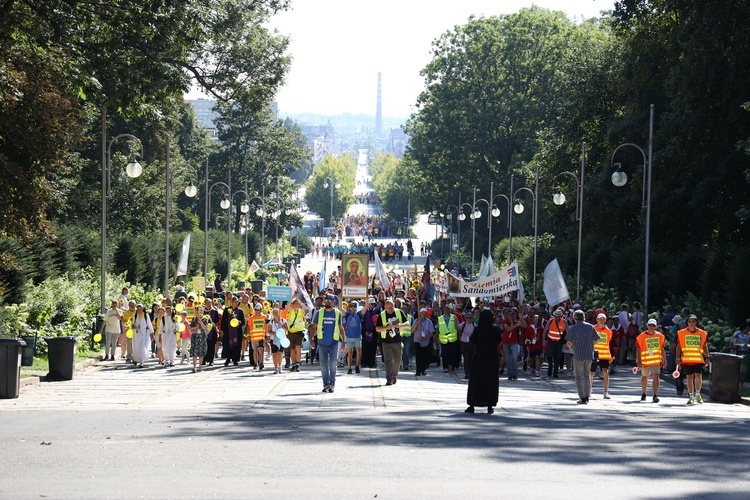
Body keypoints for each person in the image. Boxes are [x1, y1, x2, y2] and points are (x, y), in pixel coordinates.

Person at [465, 309, 502, 414]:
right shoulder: (495, 330)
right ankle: (490, 405)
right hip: (491, 359)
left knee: (476, 381)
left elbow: (472, 340)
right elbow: (499, 340)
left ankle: (472, 404)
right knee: (490, 381)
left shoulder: (477, 330)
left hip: (479, 358)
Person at [309, 295, 345, 393]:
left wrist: (344, 342)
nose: (328, 302)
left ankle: (332, 384)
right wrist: (311, 340)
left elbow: (341, 328)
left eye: (330, 300)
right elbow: (313, 327)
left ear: (334, 302)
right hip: (322, 343)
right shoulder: (319, 313)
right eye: (327, 300)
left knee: (333, 364)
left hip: (334, 343)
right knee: (323, 365)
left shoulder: (338, 313)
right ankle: (325, 384)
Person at [566, 309, 600, 404]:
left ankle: (582, 398)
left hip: (578, 355)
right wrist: (591, 344)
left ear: (575, 318)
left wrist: (572, 346)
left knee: (578, 377)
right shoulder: (590, 327)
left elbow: (568, 342)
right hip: (589, 354)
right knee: (586, 376)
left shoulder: (573, 328)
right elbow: (598, 339)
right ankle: (587, 396)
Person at [675, 314, 709, 405]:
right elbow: (679, 346)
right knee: (689, 378)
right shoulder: (682, 333)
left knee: (698, 376)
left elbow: (705, 345)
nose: (691, 323)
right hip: (686, 359)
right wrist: (677, 357)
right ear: (687, 323)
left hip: (698, 359)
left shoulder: (702, 333)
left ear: (696, 323)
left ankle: (698, 394)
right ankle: (691, 396)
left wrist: (707, 357)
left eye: (693, 321)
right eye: (690, 322)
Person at [375, 299, 407, 386]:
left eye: (391, 307)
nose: (390, 309)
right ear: (385, 307)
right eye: (388, 308)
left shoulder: (399, 312)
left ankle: (394, 375)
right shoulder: (382, 315)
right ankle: (389, 379)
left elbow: (407, 323)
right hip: (386, 342)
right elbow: (377, 328)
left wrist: (400, 325)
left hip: (397, 341)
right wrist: (386, 328)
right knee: (388, 361)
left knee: (397, 360)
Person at [636, 318, 667, 403]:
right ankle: (644, 393)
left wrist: (664, 359)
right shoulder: (641, 336)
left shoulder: (659, 336)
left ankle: (655, 395)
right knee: (644, 377)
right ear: (647, 326)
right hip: (645, 361)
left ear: (656, 326)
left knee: (656, 376)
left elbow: (662, 348)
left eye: (653, 325)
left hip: (655, 361)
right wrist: (638, 360)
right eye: (650, 325)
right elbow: (638, 349)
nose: (651, 327)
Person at [590, 312, 614, 399]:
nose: (601, 320)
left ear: (605, 320)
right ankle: (589, 390)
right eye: (600, 319)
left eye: (603, 319)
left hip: (604, 355)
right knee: (591, 372)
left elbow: (609, 341)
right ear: (596, 319)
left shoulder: (608, 331)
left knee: (605, 372)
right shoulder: (592, 329)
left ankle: (605, 392)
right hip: (594, 354)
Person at [501, 308, 526, 381]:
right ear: (506, 315)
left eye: (512, 314)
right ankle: (510, 374)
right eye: (509, 315)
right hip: (506, 343)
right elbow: (508, 329)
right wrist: (517, 324)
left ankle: (514, 374)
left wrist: (521, 319)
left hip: (514, 343)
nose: (511, 316)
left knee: (515, 358)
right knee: (508, 359)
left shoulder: (516, 321)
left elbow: (525, 326)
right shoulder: (504, 321)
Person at [220, 297, 245, 366]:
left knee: (236, 345)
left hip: (237, 331)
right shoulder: (227, 310)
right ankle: (228, 359)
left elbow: (243, 321)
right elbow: (223, 321)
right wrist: (222, 330)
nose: (236, 303)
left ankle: (235, 360)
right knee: (228, 345)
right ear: (232, 302)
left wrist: (238, 323)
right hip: (228, 331)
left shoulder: (240, 311)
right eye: (235, 302)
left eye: (237, 302)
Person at [285, 297, 307, 372]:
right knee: (292, 350)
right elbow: (287, 307)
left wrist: (299, 301)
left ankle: (298, 364)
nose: (296, 305)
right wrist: (291, 300)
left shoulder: (301, 312)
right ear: (293, 305)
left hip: (299, 333)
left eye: (297, 304)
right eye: (295, 304)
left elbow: (305, 308)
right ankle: (293, 364)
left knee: (298, 348)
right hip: (291, 333)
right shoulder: (291, 311)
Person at [437, 304, 460, 373]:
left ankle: (452, 365)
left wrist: (460, 334)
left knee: (452, 353)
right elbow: (438, 328)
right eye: (445, 309)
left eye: (448, 309)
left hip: (452, 338)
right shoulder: (440, 318)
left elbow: (457, 327)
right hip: (443, 339)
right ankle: (445, 367)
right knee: (444, 353)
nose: (447, 310)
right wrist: (436, 337)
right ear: (443, 310)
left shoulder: (454, 317)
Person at [412, 307, 435, 376]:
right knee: (418, 356)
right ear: (420, 314)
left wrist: (425, 338)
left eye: (425, 313)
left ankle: (423, 370)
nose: (424, 314)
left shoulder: (429, 322)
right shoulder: (416, 320)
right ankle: (418, 370)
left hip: (425, 342)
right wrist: (417, 324)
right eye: (422, 313)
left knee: (424, 356)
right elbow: (412, 330)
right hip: (417, 341)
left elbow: (431, 333)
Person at [544, 308, 566, 378]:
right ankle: (549, 370)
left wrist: (569, 341)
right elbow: (545, 330)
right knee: (550, 356)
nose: (556, 317)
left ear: (560, 316)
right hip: (551, 341)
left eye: (558, 316)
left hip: (559, 342)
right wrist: (543, 340)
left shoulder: (564, 322)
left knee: (557, 357)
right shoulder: (550, 321)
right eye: (555, 316)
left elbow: (568, 331)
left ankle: (555, 373)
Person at [343, 300, 363, 374]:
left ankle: (357, 366)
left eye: (354, 306)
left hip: (357, 336)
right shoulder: (347, 314)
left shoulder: (359, 314)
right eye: (351, 306)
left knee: (358, 352)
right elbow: (340, 308)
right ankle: (349, 368)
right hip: (349, 336)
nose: (353, 308)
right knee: (350, 353)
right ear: (349, 307)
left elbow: (365, 308)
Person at [131, 304, 153, 368]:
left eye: (140, 309)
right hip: (136, 334)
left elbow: (149, 325)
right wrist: (134, 327)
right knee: (136, 347)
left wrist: (152, 334)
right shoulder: (134, 316)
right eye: (138, 309)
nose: (139, 310)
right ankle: (137, 359)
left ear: (143, 309)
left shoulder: (146, 316)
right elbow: (132, 325)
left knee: (142, 347)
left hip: (144, 334)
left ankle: (142, 361)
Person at [267, 308, 287, 374]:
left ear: (279, 313)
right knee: (274, 354)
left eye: (277, 312)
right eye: (274, 313)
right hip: (274, 339)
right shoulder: (271, 322)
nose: (276, 314)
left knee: (280, 353)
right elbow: (269, 332)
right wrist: (276, 333)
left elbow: (286, 329)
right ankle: (275, 368)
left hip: (281, 339)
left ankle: (280, 367)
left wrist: (280, 325)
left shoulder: (283, 321)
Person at [362, 297, 381, 368]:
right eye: (370, 304)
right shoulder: (365, 311)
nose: (372, 305)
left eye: (373, 304)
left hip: (374, 332)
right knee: (365, 347)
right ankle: (364, 362)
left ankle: (371, 363)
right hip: (365, 332)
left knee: (372, 348)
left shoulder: (377, 311)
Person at [248, 303, 267, 370]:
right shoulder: (251, 318)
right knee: (255, 351)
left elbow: (266, 326)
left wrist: (266, 336)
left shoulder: (265, 317)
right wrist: (248, 336)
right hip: (253, 337)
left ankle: (261, 363)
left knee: (261, 350)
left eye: (258, 310)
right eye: (255, 309)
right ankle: (255, 363)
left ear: (261, 310)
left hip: (261, 337)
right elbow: (249, 327)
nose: (256, 311)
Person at [189, 306, 209, 372]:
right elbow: (190, 328)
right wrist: (196, 327)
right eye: (198, 310)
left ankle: (200, 365)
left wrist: (201, 323)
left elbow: (205, 328)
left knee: (201, 352)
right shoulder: (194, 319)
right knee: (194, 352)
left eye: (201, 310)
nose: (200, 312)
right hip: (195, 337)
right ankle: (194, 366)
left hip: (202, 337)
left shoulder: (205, 318)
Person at [459, 310, 476, 379]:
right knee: (466, 358)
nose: (468, 319)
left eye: (470, 318)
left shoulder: (474, 325)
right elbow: (457, 327)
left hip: (472, 344)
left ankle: (472, 372)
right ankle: (467, 373)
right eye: (467, 317)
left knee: (472, 358)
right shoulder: (462, 324)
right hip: (464, 342)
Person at [399, 300, 414, 371]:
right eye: (403, 309)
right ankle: (399, 364)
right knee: (399, 351)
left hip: (408, 336)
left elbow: (413, 327)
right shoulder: (398, 317)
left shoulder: (411, 318)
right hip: (400, 336)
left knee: (406, 351)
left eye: (406, 309)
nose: (404, 311)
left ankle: (405, 364)